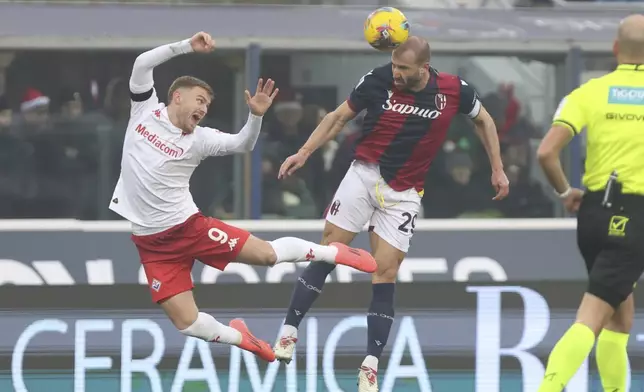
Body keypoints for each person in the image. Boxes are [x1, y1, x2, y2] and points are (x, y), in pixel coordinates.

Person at [108, 32, 377, 364]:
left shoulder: (201, 139)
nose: (204, 109)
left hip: (188, 227)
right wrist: (186, 47)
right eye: (199, 100)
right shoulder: (144, 111)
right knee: (187, 324)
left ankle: (331, 251)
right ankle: (244, 339)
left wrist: (256, 115)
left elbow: (242, 145)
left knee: (266, 257)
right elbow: (141, 63)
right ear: (177, 97)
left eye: (208, 105)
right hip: (150, 242)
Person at [275, 36, 510, 390]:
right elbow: (339, 117)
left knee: (385, 272)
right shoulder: (377, 80)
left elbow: (485, 121)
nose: (396, 73)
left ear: (424, 68)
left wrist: (497, 168)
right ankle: (289, 331)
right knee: (330, 250)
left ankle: (370, 365)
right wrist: (305, 152)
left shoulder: (454, 90)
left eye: (403, 69)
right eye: (394, 66)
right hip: (364, 174)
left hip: (405, 193)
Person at [535, 14, 644, 392]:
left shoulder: (589, 92)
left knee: (620, 319)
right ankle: (547, 387)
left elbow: (547, 153)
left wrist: (566, 193)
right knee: (593, 316)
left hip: (594, 214)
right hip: (634, 215)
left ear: (616, 49)